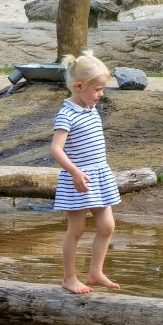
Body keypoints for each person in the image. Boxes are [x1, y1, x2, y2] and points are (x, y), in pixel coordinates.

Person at [49, 54, 122, 295]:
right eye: (97, 89)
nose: (101, 94)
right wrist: (75, 172)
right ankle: (69, 278)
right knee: (76, 230)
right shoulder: (66, 114)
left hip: (99, 176)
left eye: (102, 89)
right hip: (78, 179)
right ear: (79, 87)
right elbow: (56, 149)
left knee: (107, 226)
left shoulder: (90, 108)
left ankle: (95, 272)